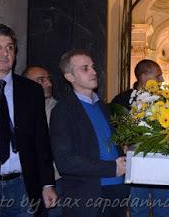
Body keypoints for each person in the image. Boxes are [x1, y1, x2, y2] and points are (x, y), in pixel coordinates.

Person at [0, 23, 57, 217]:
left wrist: (47, 183)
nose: (5, 53)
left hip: (24, 186)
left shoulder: (31, 90)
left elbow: (41, 141)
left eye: (9, 47)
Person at [49, 49, 128, 217]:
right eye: (85, 68)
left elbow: (108, 144)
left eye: (92, 67)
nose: (93, 72)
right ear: (69, 76)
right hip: (87, 195)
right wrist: (112, 167)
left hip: (117, 190)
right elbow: (65, 161)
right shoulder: (63, 111)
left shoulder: (103, 107)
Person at [111, 59, 169, 217]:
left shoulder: (167, 99)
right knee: (137, 209)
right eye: (158, 76)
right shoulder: (121, 100)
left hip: (164, 163)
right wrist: (123, 144)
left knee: (165, 208)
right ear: (144, 77)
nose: (162, 80)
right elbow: (113, 131)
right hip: (135, 163)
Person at [23, 66, 62, 217]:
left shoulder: (60, 109)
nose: (48, 83)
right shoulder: (18, 110)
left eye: (48, 79)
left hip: (56, 178)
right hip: (26, 180)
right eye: (41, 80)